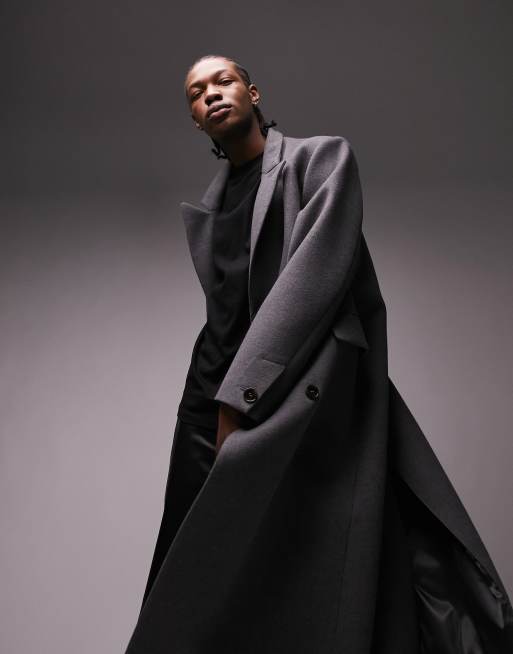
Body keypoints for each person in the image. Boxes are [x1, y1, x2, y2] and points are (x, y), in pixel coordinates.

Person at [125, 54, 513, 654]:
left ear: (253, 93)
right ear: (196, 121)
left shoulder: (321, 160)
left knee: (319, 555)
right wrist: (215, 397)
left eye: (223, 82)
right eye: (197, 94)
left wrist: (240, 398)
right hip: (207, 395)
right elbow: (226, 311)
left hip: (284, 389)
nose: (212, 95)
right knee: (190, 562)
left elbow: (315, 276)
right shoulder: (215, 203)